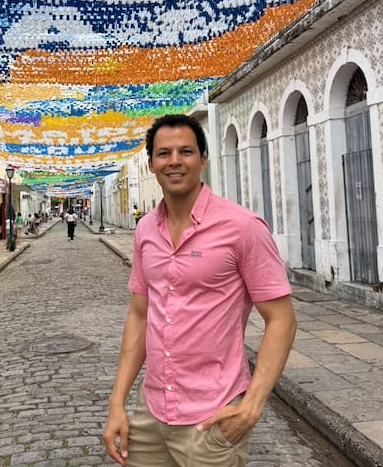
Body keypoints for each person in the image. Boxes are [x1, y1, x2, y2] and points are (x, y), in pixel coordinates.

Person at [102, 114, 296, 466]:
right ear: (151, 164)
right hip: (151, 414)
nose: (174, 161)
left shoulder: (242, 228)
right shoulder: (145, 230)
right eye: (163, 154)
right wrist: (118, 403)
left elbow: (281, 319)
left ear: (203, 160)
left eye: (186, 151)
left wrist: (252, 405)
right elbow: (140, 314)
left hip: (212, 418)